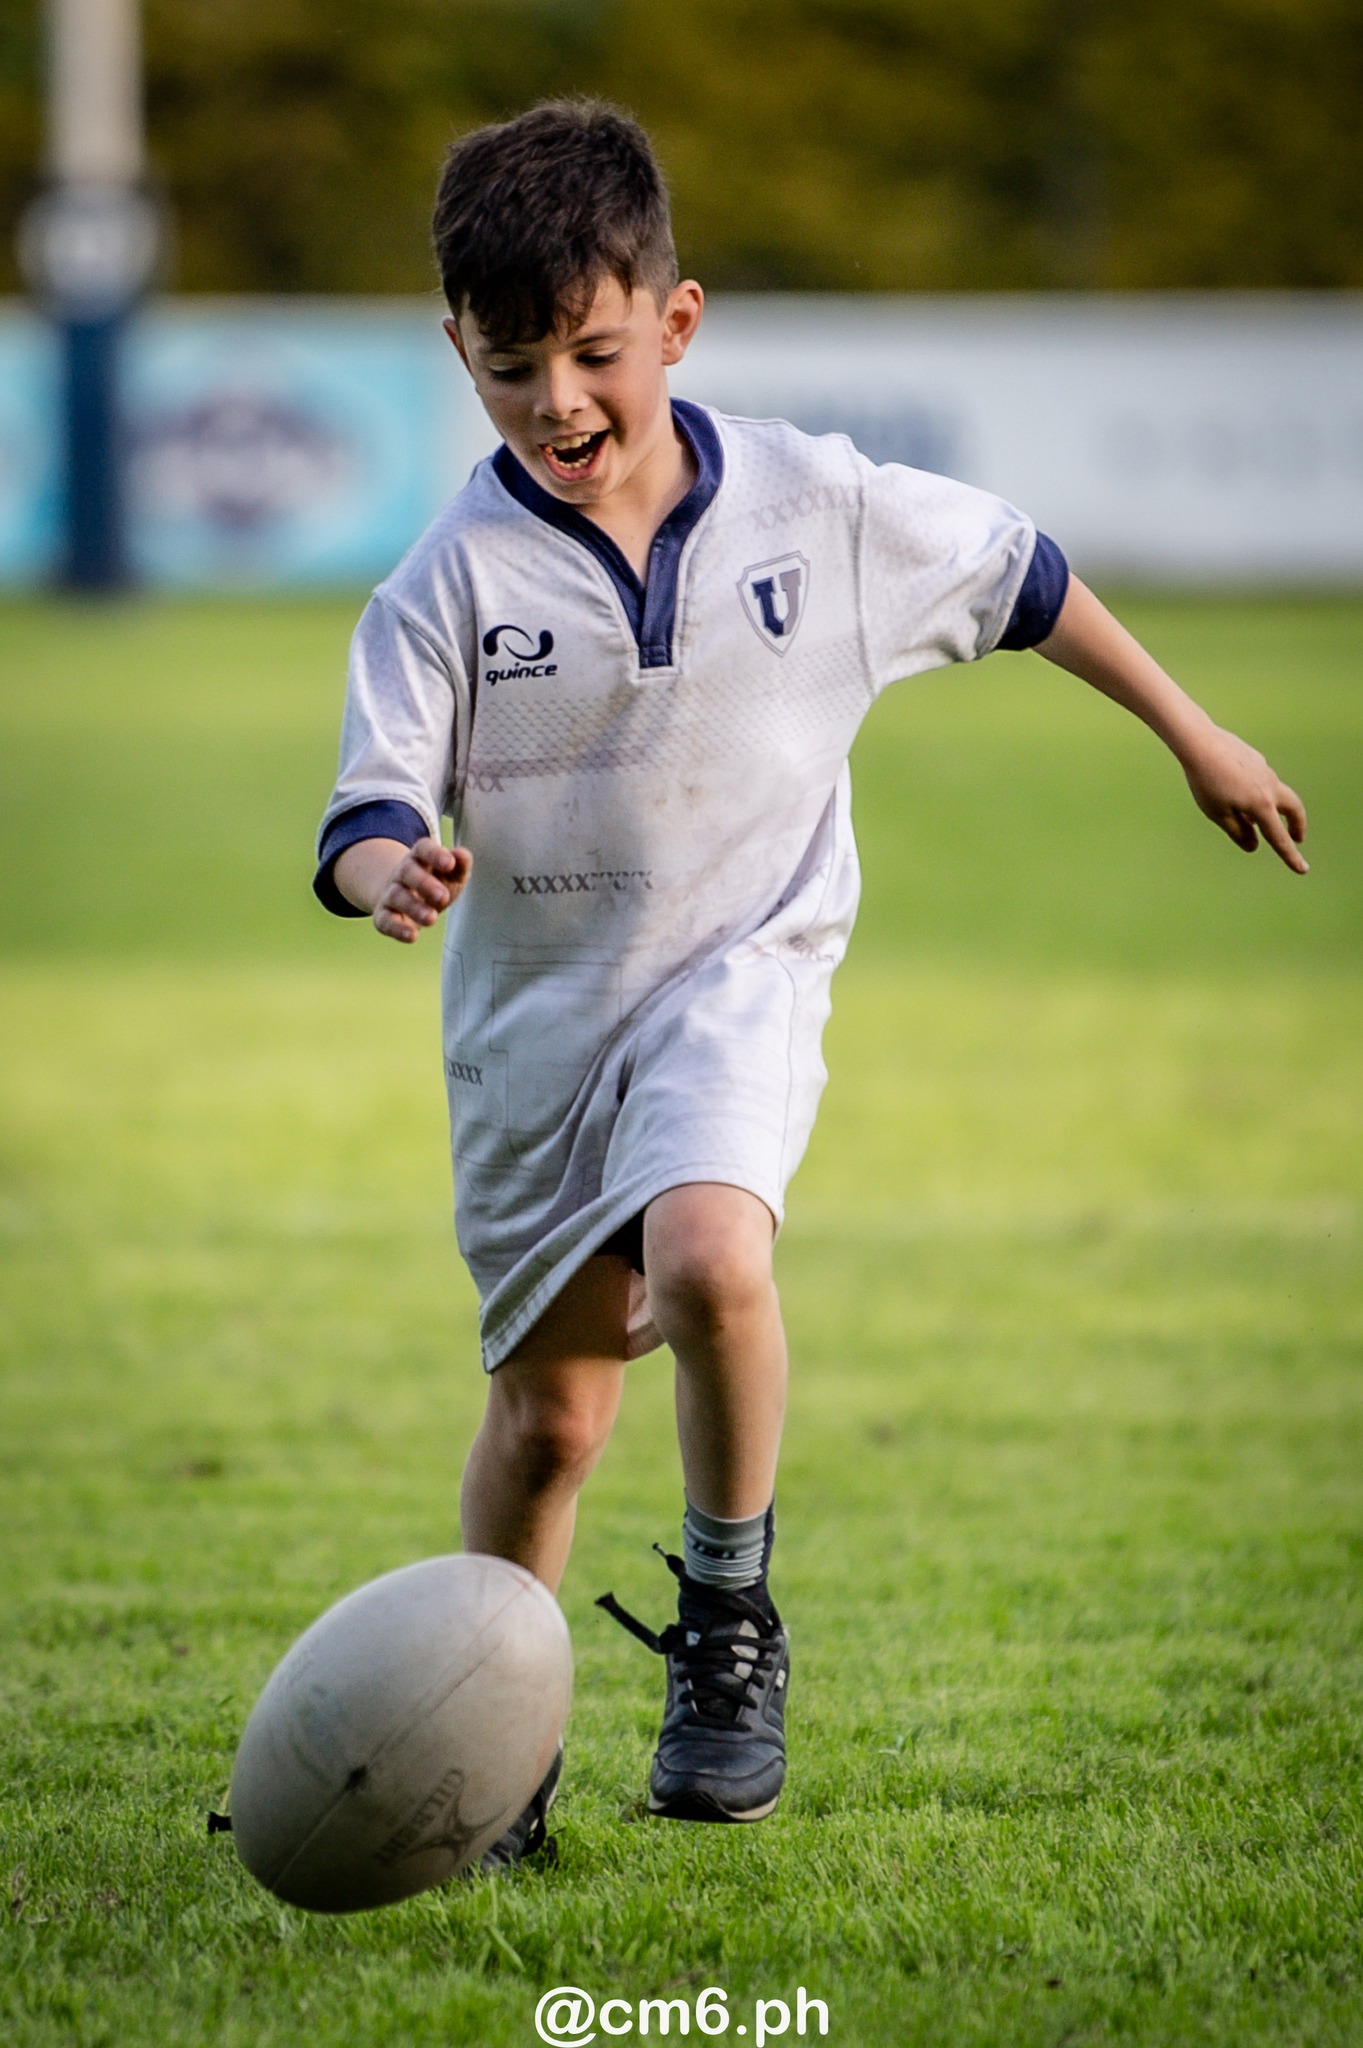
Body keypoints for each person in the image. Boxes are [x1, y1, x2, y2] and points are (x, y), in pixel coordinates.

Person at [313, 99, 1308, 1863]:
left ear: (675, 323)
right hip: (535, 1038)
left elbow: (1027, 576)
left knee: (712, 1247)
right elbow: (368, 808)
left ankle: (727, 1627)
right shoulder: (442, 589)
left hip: (739, 975)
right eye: (511, 367)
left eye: (595, 354)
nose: (560, 402)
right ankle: (496, 1754)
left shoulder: (816, 505)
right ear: (455, 355)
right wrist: (398, 869)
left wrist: (1195, 730)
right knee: (548, 1426)